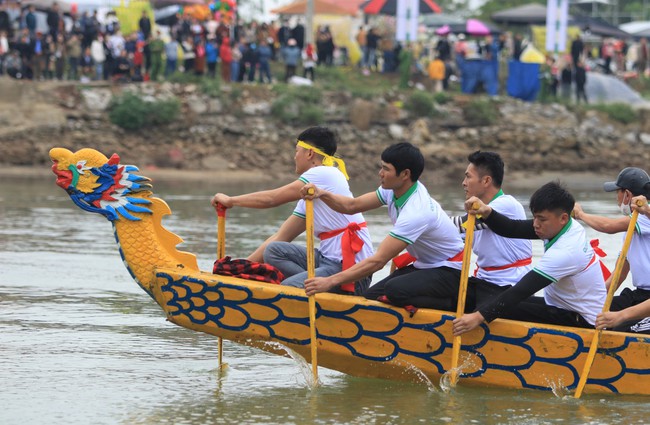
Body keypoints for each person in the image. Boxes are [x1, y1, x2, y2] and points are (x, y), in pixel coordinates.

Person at [302, 143, 465, 311]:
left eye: (386, 169)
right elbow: (351, 205)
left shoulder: (417, 211)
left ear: (405, 174)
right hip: (425, 265)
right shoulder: (393, 190)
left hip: (450, 271)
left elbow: (378, 261)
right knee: (370, 299)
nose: (380, 173)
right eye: (381, 167)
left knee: (394, 290)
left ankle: (450, 304)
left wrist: (329, 281)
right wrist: (323, 194)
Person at [210, 126, 374, 294]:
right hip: (328, 262)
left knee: (287, 288)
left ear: (309, 153)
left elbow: (272, 199)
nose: (295, 156)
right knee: (274, 250)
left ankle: (301, 287)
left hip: (350, 273)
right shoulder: (310, 194)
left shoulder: (324, 173)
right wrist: (239, 269)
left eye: (297, 151)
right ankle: (312, 287)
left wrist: (231, 201)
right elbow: (282, 236)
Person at [453, 181, 607, 336]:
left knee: (501, 305)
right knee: (494, 297)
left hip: (584, 322)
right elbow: (512, 228)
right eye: (534, 218)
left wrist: (478, 317)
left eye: (541, 219)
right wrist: (486, 212)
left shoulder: (567, 251)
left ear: (563, 218)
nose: (536, 224)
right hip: (562, 306)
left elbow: (522, 289)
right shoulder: (563, 226)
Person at [572, 168, 650, 332]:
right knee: (585, 315)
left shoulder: (642, 217)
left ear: (627, 195)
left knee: (616, 328)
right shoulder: (631, 231)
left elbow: (609, 226)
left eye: (617, 192)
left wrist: (580, 214)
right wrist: (592, 299)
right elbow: (619, 274)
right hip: (638, 296)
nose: (616, 198)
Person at [456, 151, 533, 310]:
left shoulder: (506, 205)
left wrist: (425, 220)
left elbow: (455, 226)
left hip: (510, 284)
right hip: (485, 281)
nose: (463, 183)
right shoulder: (475, 212)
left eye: (468, 177)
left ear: (486, 181)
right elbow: (450, 237)